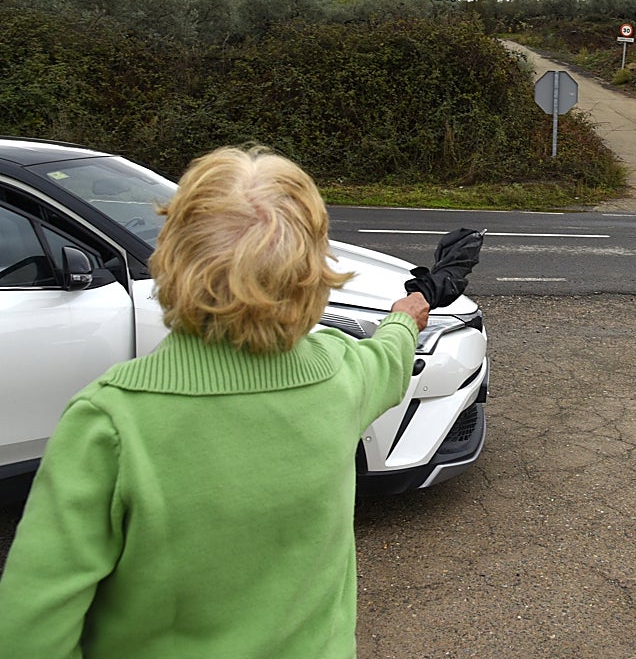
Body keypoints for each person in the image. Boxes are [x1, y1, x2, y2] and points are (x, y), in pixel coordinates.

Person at [0, 145, 429, 658]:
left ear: (170, 257)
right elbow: (389, 358)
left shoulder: (110, 422)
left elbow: (30, 632)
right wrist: (405, 316)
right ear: (314, 273)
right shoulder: (339, 374)